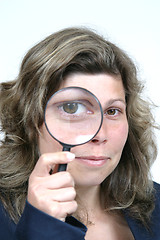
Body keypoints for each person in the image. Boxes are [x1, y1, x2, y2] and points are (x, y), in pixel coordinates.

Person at [0, 27, 159, 240]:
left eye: (112, 111)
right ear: (31, 120)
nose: (100, 134)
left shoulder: (156, 205)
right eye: (72, 108)